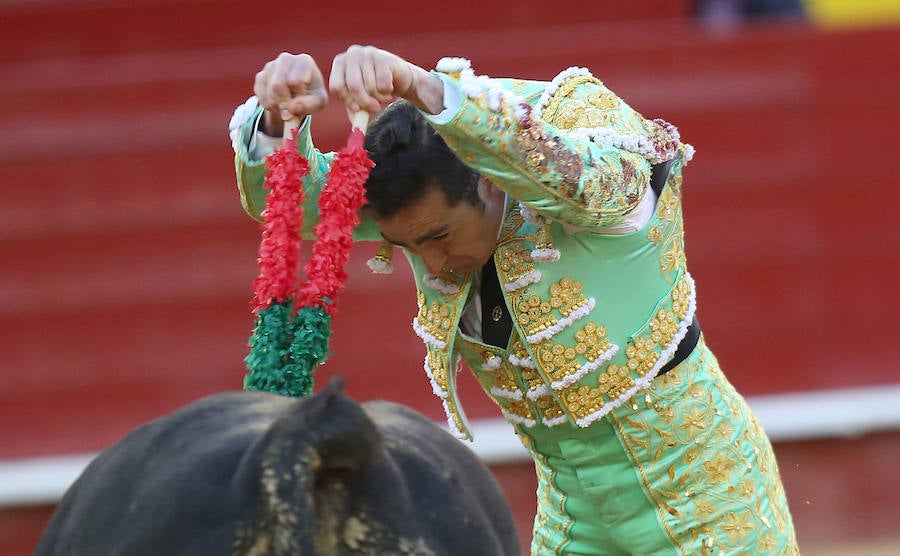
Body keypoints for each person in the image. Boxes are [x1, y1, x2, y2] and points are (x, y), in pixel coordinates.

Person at [229, 45, 798, 555]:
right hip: (573, 518)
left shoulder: (590, 141)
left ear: (489, 182)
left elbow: (569, 175)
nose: (429, 264)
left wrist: (426, 88)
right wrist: (280, 118)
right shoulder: (419, 194)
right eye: (406, 246)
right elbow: (299, 203)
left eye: (439, 238)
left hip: (710, 500)